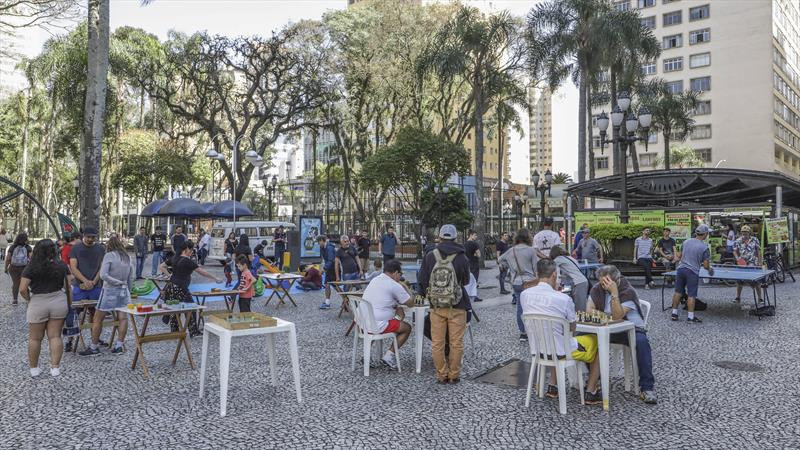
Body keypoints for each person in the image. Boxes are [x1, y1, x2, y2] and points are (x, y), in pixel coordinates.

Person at [521, 259, 601, 404]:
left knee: (553, 339)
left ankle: (553, 385)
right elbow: (572, 328)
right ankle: (591, 391)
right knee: (598, 344)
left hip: (538, 349)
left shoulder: (524, 295)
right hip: (562, 351)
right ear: (554, 275)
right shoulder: (563, 299)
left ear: (538, 274)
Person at [588, 265, 657, 404]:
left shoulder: (627, 291)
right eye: (601, 282)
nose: (603, 286)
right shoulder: (597, 289)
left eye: (606, 282)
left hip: (631, 329)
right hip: (608, 328)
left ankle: (647, 387)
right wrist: (607, 316)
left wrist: (614, 293)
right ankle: (592, 381)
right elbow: (589, 310)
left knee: (642, 343)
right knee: (586, 339)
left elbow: (618, 315)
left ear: (616, 280)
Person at [418, 224, 471, 384]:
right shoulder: (462, 257)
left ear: (439, 237)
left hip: (436, 306)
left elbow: (423, 279)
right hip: (457, 305)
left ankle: (442, 375)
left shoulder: (430, 255)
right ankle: (454, 375)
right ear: (456, 238)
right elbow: (467, 281)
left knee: (438, 343)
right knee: (456, 343)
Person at [19, 239, 72, 377]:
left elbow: (22, 289)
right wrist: (69, 303)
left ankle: (34, 369)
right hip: (58, 301)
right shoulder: (62, 265)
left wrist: (29, 300)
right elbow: (68, 287)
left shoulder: (31, 267)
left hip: (38, 301)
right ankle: (55, 368)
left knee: (35, 338)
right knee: (55, 336)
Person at [79, 236, 132, 356]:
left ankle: (94, 347)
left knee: (98, 319)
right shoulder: (127, 257)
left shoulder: (109, 256)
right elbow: (130, 277)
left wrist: (115, 282)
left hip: (110, 290)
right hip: (124, 290)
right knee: (123, 318)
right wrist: (128, 288)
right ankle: (119, 345)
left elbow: (103, 275)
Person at [361, 259, 414, 370]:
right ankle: (389, 355)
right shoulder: (394, 285)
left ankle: (366, 355)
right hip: (377, 324)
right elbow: (410, 303)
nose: (400, 277)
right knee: (407, 328)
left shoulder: (375, 280)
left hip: (363, 322)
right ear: (395, 273)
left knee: (394, 319)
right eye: (400, 274)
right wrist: (407, 288)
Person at [162, 240, 222, 335]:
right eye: (191, 250)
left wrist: (169, 275)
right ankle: (193, 331)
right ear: (186, 249)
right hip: (181, 288)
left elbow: (162, 266)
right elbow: (201, 271)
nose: (192, 252)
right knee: (191, 308)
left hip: (171, 287)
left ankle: (174, 330)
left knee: (174, 308)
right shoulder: (187, 261)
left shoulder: (174, 258)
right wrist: (215, 278)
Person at [497, 228, 538, 341]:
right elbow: (536, 269)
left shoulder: (511, 251)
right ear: (528, 237)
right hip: (530, 282)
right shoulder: (531, 251)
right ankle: (533, 330)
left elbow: (500, 260)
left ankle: (523, 333)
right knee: (532, 307)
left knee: (520, 307)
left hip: (516, 282)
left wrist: (508, 266)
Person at [671, 224, 713, 323]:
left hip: (681, 269)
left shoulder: (686, 242)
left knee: (678, 292)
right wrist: (710, 269)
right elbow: (706, 265)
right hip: (692, 272)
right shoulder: (704, 247)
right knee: (691, 295)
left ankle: (674, 314)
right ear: (705, 234)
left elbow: (679, 256)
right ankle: (690, 317)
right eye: (708, 233)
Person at [550, 246, 590, 311]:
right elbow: (570, 274)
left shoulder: (558, 259)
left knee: (579, 308)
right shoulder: (570, 258)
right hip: (581, 281)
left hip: (578, 283)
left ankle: (580, 320)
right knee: (578, 305)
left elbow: (555, 272)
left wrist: (556, 285)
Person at [733, 224, 763, 303]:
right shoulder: (738, 241)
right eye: (743, 233)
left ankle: (760, 298)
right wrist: (737, 258)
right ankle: (738, 297)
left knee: (757, 281)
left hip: (753, 263)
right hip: (742, 264)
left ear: (749, 232)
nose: (744, 235)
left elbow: (759, 251)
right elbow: (734, 251)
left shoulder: (755, 240)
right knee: (739, 282)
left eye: (746, 233)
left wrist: (760, 262)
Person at [5, 232, 32, 305]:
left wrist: (6, 268)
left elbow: (8, 258)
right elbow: (31, 258)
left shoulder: (12, 247)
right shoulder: (27, 247)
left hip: (13, 268)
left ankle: (15, 300)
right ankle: (28, 299)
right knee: (25, 283)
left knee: (15, 283)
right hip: (24, 268)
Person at [318, 235, 337, 310]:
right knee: (327, 284)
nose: (318, 244)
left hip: (334, 268)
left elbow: (331, 260)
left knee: (336, 286)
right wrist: (322, 268)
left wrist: (324, 269)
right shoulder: (322, 247)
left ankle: (346, 299)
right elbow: (323, 260)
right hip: (328, 268)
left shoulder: (329, 247)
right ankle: (327, 302)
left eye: (319, 242)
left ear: (323, 240)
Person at [463, 230, 482, 301]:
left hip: (467, 265)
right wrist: (474, 254)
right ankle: (474, 296)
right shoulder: (475, 244)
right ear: (470, 235)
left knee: (468, 281)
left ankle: (467, 295)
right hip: (474, 264)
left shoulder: (464, 244)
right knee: (475, 281)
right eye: (475, 235)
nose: (476, 237)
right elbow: (479, 255)